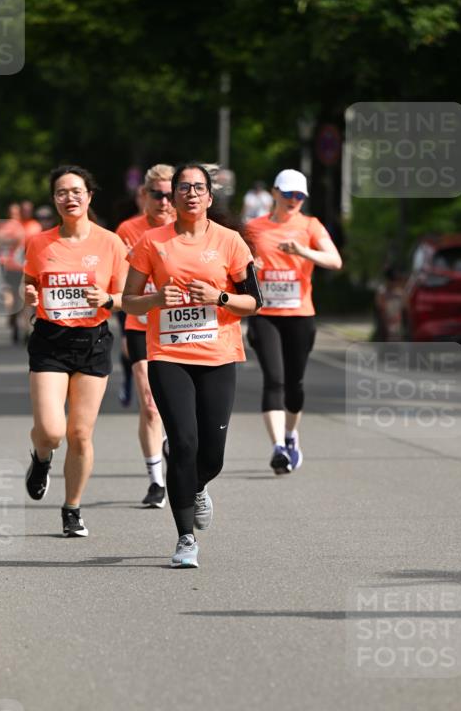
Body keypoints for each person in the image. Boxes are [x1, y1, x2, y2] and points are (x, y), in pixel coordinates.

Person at [123, 162, 262, 568]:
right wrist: (154, 300)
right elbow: (128, 300)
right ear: (175, 194)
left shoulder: (230, 241)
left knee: (211, 454)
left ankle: (198, 485)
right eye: (183, 187)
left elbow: (254, 301)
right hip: (169, 355)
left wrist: (217, 298)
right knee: (184, 443)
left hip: (218, 355)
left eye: (198, 187)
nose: (190, 194)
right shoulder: (152, 242)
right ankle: (186, 539)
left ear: (209, 196)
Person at [23, 165, 128, 537]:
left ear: (89, 196)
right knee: (51, 432)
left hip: (93, 342)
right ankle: (41, 458)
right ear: (54, 200)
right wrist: (29, 295)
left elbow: (128, 296)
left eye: (76, 191)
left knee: (80, 433)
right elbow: (30, 283)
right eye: (61, 192)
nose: (70, 198)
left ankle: (72, 509)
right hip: (51, 339)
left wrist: (109, 299)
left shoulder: (110, 243)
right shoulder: (39, 243)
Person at [244, 169, 342, 474]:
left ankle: (289, 436)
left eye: (299, 196)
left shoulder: (310, 225)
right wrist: (251, 266)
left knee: (295, 385)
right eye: (288, 194)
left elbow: (335, 261)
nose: (293, 200)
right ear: (274, 193)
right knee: (274, 380)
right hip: (265, 315)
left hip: (300, 314)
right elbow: (233, 267)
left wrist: (302, 250)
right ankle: (277, 449)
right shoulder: (252, 228)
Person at [116, 163, 175, 509]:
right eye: (158, 194)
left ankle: (174, 442)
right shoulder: (128, 230)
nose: (165, 202)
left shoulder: (187, 229)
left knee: (176, 405)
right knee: (150, 405)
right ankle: (156, 480)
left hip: (180, 327)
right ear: (144, 195)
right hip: (140, 324)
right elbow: (122, 282)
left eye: (170, 195)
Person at [0, 203, 27, 343]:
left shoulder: (4, 227)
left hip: (16, 265)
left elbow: (0, 241)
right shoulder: (19, 227)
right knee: (13, 293)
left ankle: (13, 317)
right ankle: (13, 315)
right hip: (9, 264)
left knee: (15, 294)